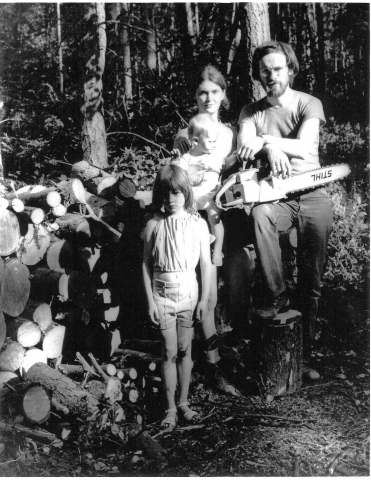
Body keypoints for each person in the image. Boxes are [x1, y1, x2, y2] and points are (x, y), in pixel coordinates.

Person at [237, 41, 333, 380]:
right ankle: (276, 296)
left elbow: (306, 145)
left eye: (278, 68)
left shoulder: (309, 103)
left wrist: (270, 143)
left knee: (312, 281)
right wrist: (264, 144)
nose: (271, 75)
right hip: (277, 197)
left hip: (313, 191)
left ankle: (304, 357)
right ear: (258, 74)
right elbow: (244, 145)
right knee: (261, 214)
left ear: (290, 69)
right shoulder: (251, 111)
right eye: (265, 70)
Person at [172, 65, 240, 394]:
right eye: (202, 92)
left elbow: (231, 176)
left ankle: (214, 365)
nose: (208, 98)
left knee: (212, 297)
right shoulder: (187, 134)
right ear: (195, 96)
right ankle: (189, 366)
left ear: (223, 95)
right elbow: (175, 178)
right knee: (190, 295)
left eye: (215, 92)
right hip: (189, 221)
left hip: (217, 218)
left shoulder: (228, 134)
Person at [142, 164, 211, 429]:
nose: (172, 199)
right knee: (169, 349)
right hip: (162, 295)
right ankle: (169, 408)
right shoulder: (154, 225)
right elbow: (146, 264)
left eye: (177, 193)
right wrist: (150, 300)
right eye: (166, 193)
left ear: (186, 193)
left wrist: (204, 300)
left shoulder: (198, 224)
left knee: (185, 349)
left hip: (188, 294)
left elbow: (205, 265)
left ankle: (184, 403)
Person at [172, 113, 225, 266]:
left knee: (215, 217)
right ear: (195, 141)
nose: (214, 144)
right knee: (183, 218)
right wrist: (175, 161)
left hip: (209, 197)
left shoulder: (212, 156)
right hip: (191, 199)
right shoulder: (186, 158)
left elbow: (216, 170)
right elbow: (178, 175)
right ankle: (186, 249)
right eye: (211, 141)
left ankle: (217, 249)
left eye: (216, 141)